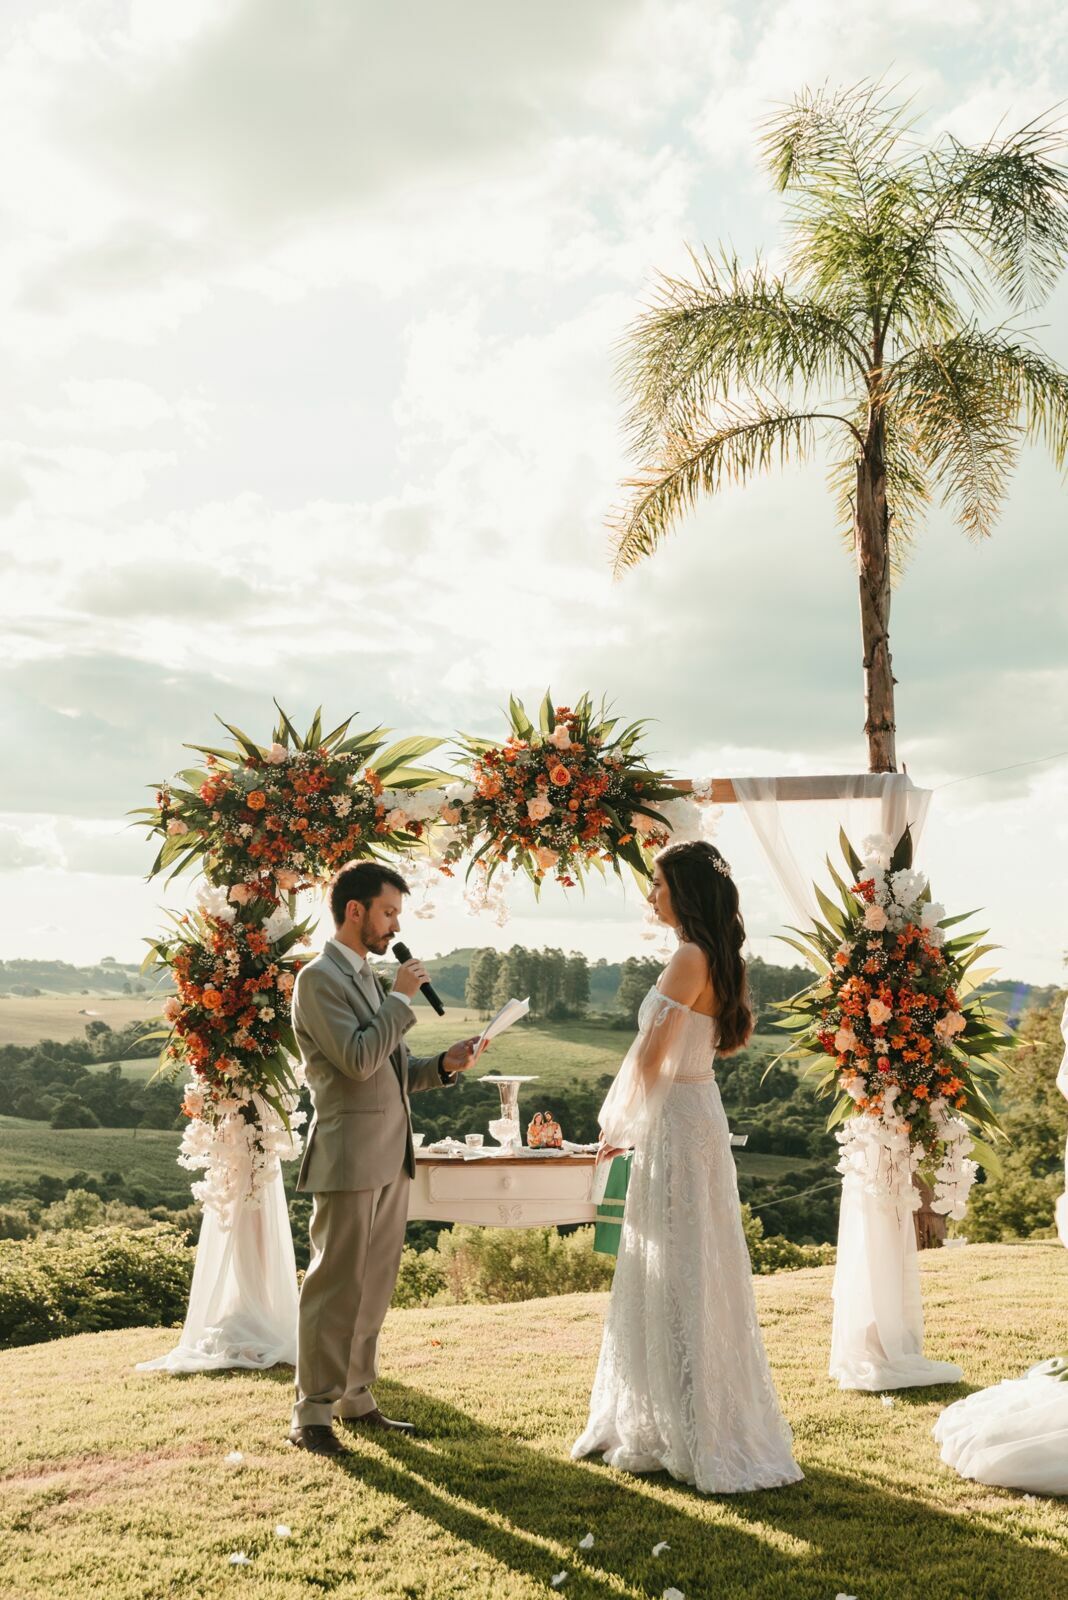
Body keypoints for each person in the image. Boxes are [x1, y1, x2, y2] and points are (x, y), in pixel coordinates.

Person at [572, 839, 802, 1493]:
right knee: (697, 1265)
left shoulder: (687, 957)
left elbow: (649, 1058)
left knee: (672, 1265)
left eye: (659, 884)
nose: (651, 894)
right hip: (697, 1113)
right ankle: (691, 1415)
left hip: (674, 1123)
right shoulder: (717, 957)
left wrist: (615, 1127)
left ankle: (676, 1424)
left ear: (687, 893)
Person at [287, 860, 481, 1455]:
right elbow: (357, 1060)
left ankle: (356, 1397)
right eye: (389, 911)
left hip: (393, 1154)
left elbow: (394, 1071)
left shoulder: (371, 979)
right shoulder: (319, 980)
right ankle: (311, 1412)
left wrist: (445, 1065)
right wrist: (399, 1000)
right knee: (335, 1283)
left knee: (373, 1285)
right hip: (347, 1154)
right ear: (355, 911)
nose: (395, 925)